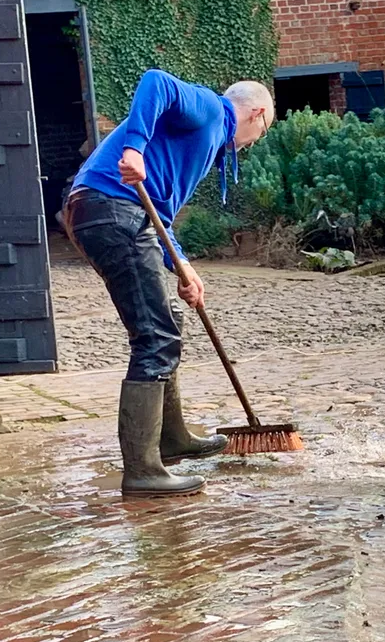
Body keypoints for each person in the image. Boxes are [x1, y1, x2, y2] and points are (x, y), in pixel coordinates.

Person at [64, 70, 274, 498]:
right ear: (258, 113)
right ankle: (142, 472)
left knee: (167, 317)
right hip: (111, 208)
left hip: (117, 213)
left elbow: (156, 209)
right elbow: (155, 82)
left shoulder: (202, 139)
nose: (254, 142)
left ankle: (172, 439)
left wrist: (182, 265)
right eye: (262, 132)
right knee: (154, 336)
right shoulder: (211, 110)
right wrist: (133, 147)